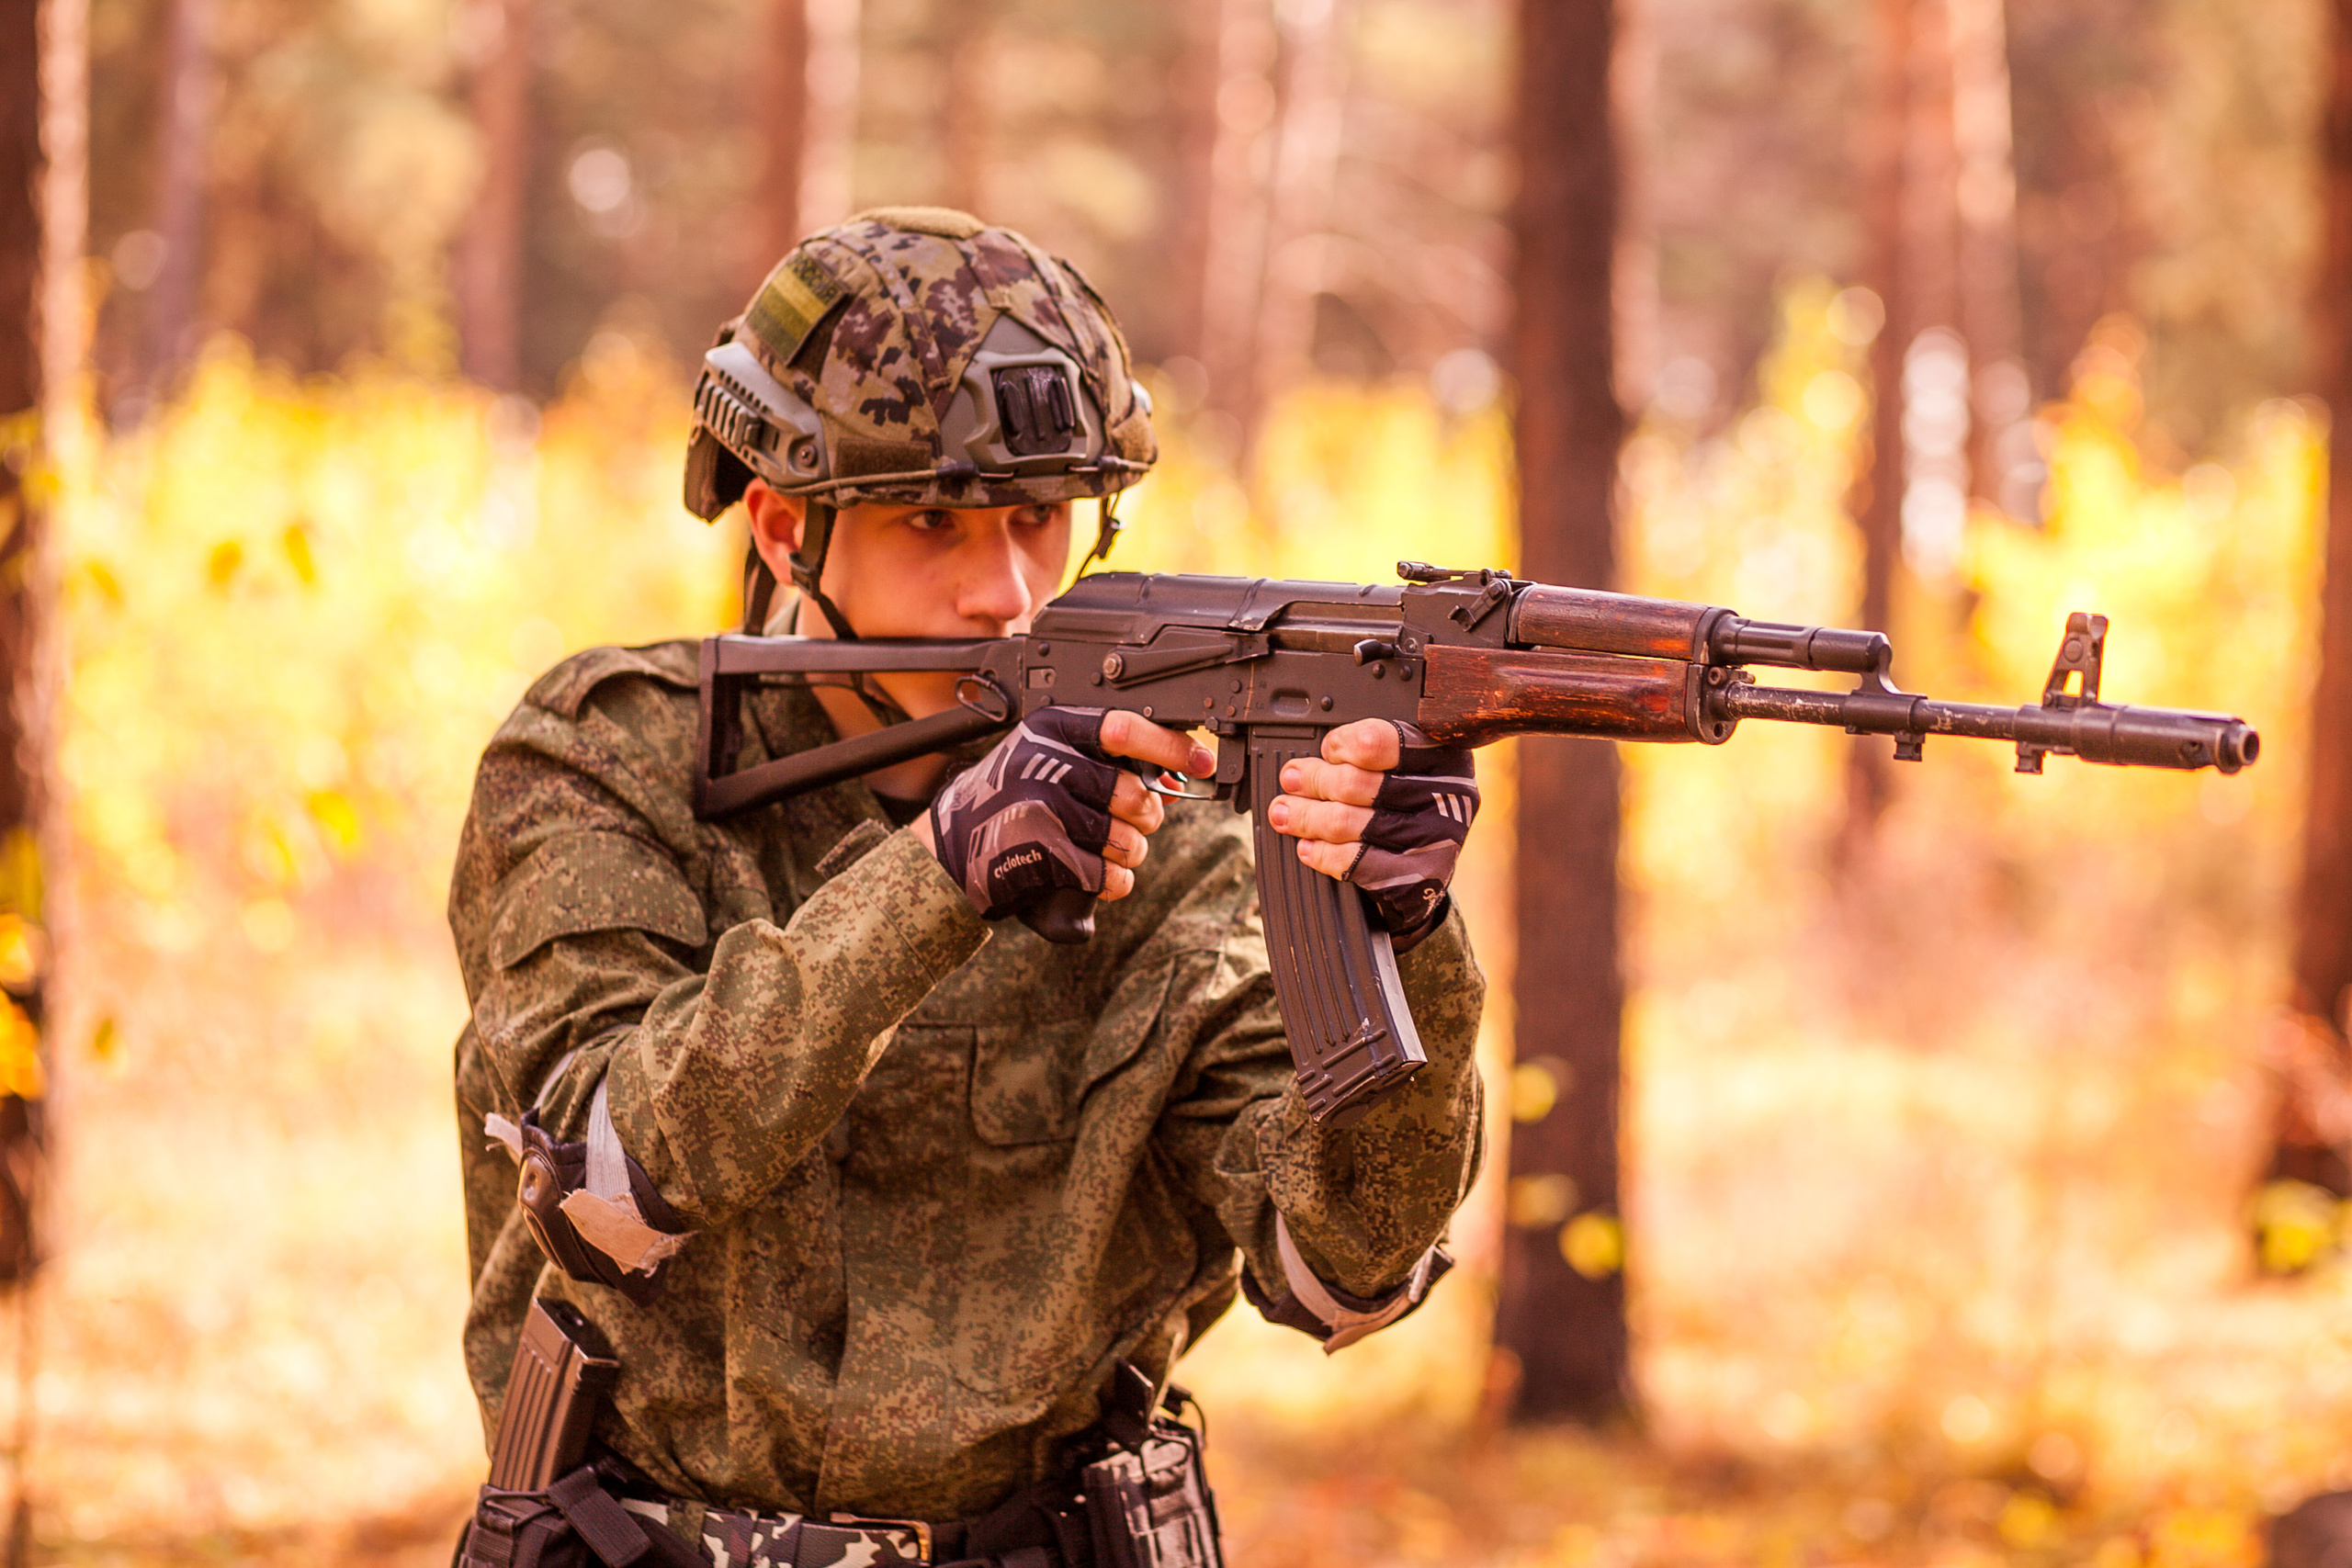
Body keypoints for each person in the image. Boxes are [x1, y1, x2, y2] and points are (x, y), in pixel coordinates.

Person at [448, 207, 1488, 1568]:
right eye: (932, 520)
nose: (1001, 592)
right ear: (781, 528)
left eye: (1036, 519)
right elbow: (605, 1181)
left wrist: (1410, 940)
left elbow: (1341, 1270)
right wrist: (940, 874)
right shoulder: (603, 759)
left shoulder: (1172, 846)